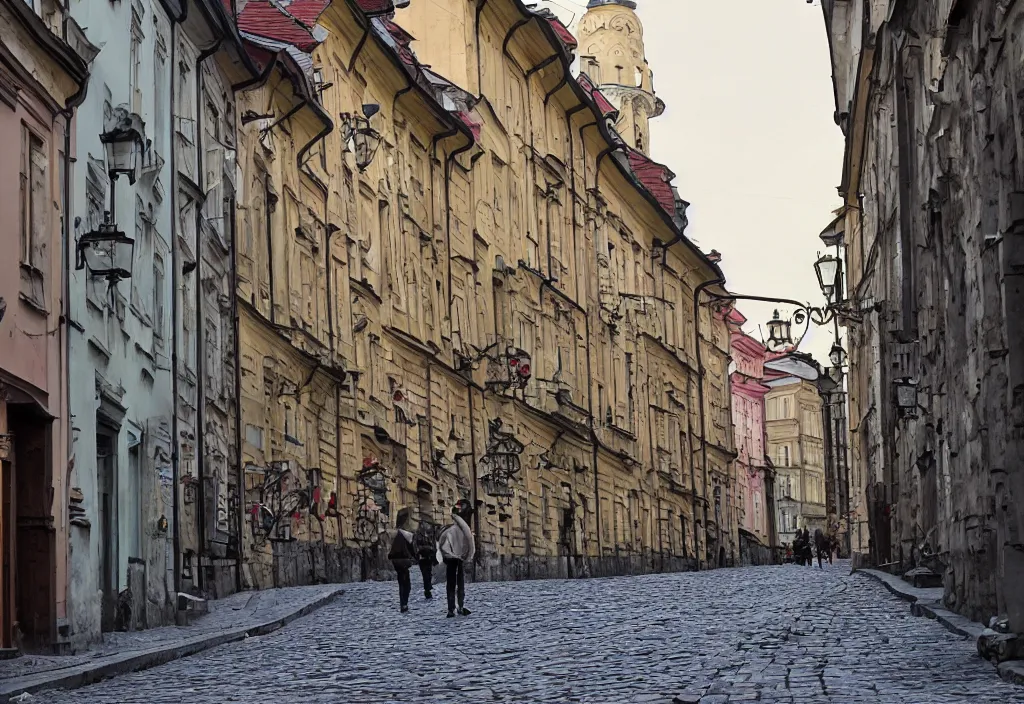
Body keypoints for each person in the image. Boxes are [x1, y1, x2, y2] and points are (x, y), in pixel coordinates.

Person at [438, 500, 475, 618]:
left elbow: (443, 547)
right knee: (458, 583)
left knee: (453, 583)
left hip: (453, 560)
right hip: (456, 560)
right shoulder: (458, 530)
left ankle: (452, 608)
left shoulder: (453, 530)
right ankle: (458, 607)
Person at [388, 509, 416, 613]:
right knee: (406, 584)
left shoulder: (395, 532)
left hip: (395, 560)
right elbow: (411, 548)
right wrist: (414, 557)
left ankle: (402, 603)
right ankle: (404, 603)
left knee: (401, 582)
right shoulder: (406, 533)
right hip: (403, 560)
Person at [413, 518, 438, 600]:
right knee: (425, 573)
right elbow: (415, 545)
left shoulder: (431, 533)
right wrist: (418, 553)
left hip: (429, 555)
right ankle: (427, 589)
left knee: (429, 572)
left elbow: (434, 544)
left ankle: (428, 587)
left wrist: (434, 552)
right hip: (422, 556)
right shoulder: (418, 534)